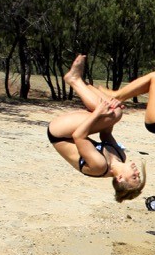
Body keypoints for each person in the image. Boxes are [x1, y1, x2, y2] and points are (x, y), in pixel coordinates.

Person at [47, 55, 146, 202]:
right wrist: (113, 108)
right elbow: (105, 134)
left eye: (134, 177)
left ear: (119, 178)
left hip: (59, 132)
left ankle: (75, 80)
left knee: (113, 114)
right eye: (138, 176)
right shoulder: (120, 156)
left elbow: (78, 136)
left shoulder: (99, 166)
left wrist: (99, 113)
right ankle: (84, 83)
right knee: (115, 111)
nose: (137, 172)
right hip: (73, 129)